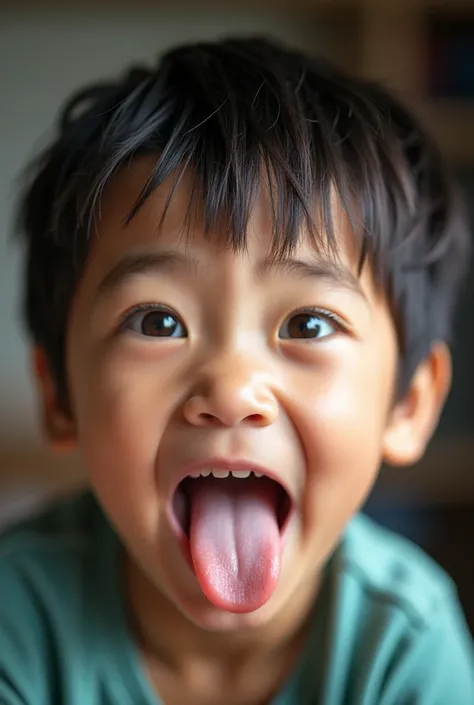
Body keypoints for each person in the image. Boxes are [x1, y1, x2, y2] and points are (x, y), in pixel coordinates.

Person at [0, 36, 473, 704]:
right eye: (157, 321)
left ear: (410, 404)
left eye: (308, 324)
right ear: (60, 396)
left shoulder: (402, 643)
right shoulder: (17, 622)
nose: (229, 389)